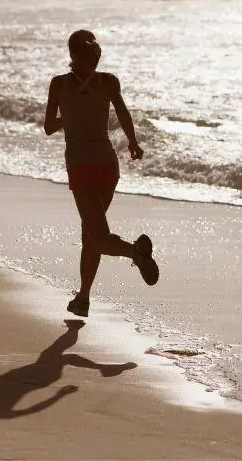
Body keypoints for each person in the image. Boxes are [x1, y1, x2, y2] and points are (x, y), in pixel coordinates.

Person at [44, 29, 159, 318]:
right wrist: (133, 143)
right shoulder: (107, 81)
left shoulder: (59, 85)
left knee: (97, 235)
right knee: (91, 235)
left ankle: (135, 252)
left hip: (81, 166)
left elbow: (48, 126)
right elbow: (123, 113)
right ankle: (83, 298)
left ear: (72, 55)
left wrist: (68, 117)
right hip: (108, 164)